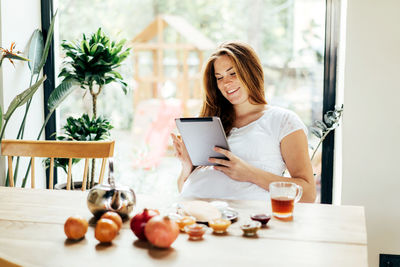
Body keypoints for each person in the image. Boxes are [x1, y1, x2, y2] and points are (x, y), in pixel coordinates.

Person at [171, 41, 316, 202]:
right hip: (192, 216)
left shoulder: (282, 120)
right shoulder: (211, 124)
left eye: (232, 73)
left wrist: (249, 173)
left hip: (243, 220)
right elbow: (185, 188)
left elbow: (308, 193)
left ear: (250, 72)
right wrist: (187, 167)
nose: (226, 83)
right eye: (219, 78)